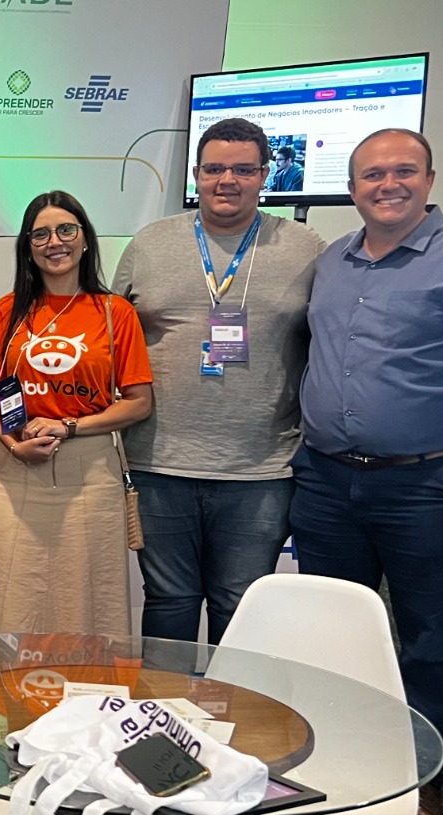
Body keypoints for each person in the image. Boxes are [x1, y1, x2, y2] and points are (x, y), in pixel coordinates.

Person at [291, 128, 443, 815]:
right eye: (371, 175)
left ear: (429, 177)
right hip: (327, 482)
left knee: (431, 641)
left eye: (403, 172)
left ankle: (425, 781)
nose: (388, 185)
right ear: (351, 186)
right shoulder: (334, 260)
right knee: (332, 635)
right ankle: (339, 764)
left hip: (431, 485)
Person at [112, 117, 325, 644]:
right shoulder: (149, 244)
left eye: (243, 169)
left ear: (265, 175)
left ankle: (239, 723)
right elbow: (112, 340)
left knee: (241, 605)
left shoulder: (307, 248)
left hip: (261, 468)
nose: (226, 180)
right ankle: (163, 717)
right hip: (159, 460)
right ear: (196, 175)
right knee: (169, 601)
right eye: (214, 169)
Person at [0, 192, 154, 638]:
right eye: (40, 234)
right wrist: (11, 443)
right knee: (4, 593)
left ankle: (86, 698)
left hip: (89, 473)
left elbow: (139, 402)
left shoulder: (113, 312)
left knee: (87, 599)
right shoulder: (8, 310)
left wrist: (71, 426)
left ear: (85, 240)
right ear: (28, 247)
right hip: (12, 472)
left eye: (66, 230)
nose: (54, 242)